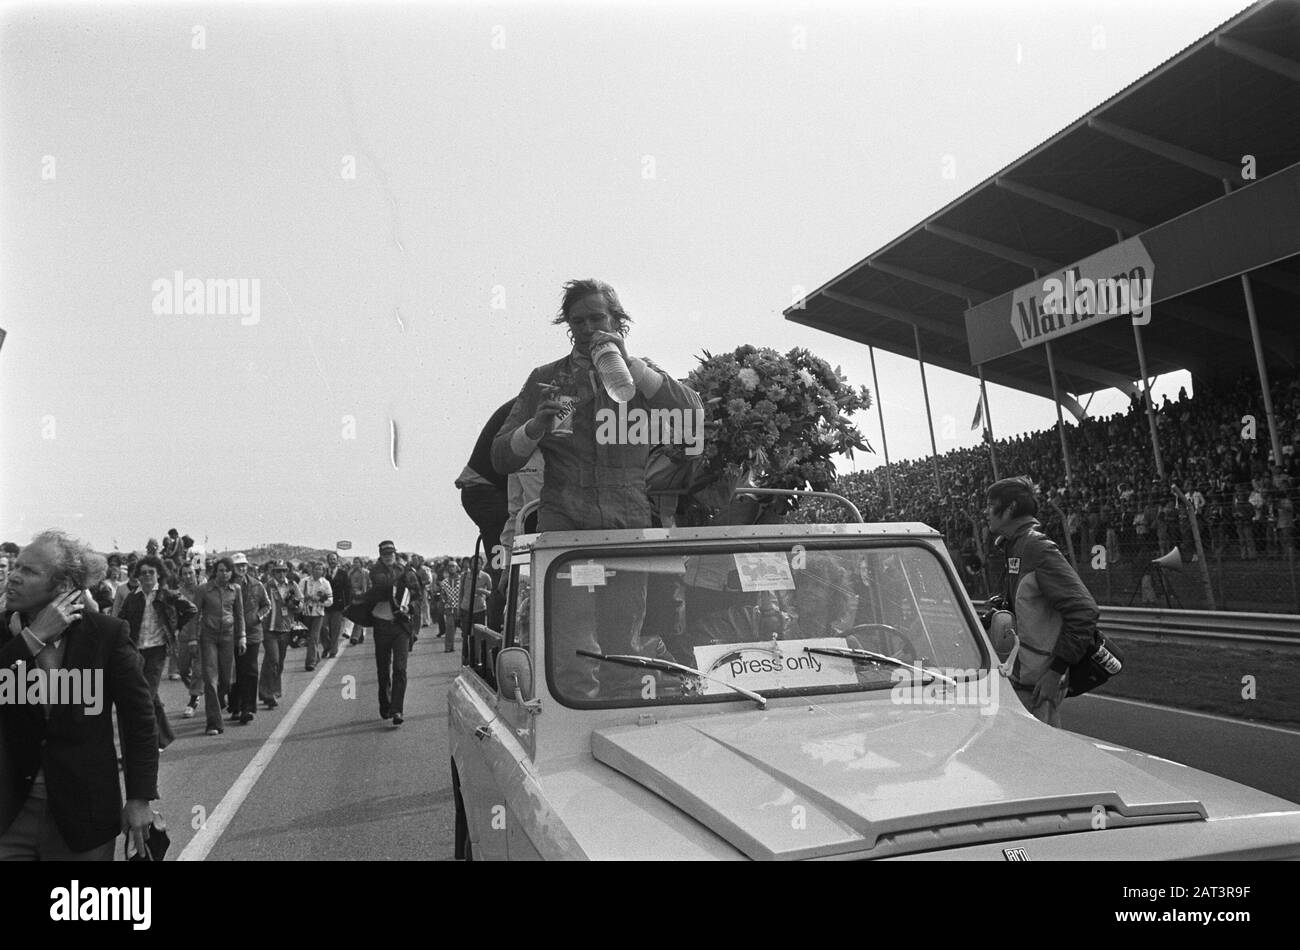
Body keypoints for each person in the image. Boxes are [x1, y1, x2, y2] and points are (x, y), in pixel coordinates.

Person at [490, 279, 701, 698]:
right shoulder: (547, 380)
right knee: (573, 643)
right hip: (567, 530)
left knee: (625, 641)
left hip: (626, 527)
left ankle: (622, 727)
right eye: (578, 321)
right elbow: (500, 458)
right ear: (568, 326)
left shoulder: (640, 376)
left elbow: (692, 419)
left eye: (597, 318)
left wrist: (634, 367)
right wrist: (534, 429)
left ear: (617, 321)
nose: (587, 328)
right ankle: (570, 734)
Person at [0, 530, 158, 859]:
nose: (13, 576)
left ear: (62, 586)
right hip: (10, 814)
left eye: (28, 571)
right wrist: (31, 639)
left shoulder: (105, 635)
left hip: (83, 814)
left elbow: (138, 717)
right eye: (16, 567)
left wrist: (139, 798)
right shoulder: (4, 636)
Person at [985, 476, 1098, 728]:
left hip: (1036, 685)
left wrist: (1055, 672)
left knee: (1038, 761)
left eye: (991, 505)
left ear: (1011, 508)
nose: (986, 512)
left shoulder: (1036, 547)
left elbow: (1084, 610)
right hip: (1019, 678)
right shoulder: (1014, 546)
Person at [116, 555, 196, 750]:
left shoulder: (167, 595)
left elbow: (191, 609)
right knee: (152, 697)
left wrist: (175, 629)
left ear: (158, 574)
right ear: (137, 576)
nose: (147, 576)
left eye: (151, 572)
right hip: (137, 650)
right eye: (142, 573)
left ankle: (147, 742)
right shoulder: (132, 598)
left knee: (145, 696)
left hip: (158, 650)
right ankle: (164, 737)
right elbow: (121, 620)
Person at [192, 557, 245, 736]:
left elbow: (239, 615)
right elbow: (194, 614)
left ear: (232, 572)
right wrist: (193, 638)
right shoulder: (203, 590)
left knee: (227, 680)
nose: (225, 573)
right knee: (210, 679)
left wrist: (242, 636)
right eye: (221, 570)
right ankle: (214, 723)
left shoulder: (235, 589)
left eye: (228, 570)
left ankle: (219, 699)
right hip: (208, 637)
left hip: (228, 637)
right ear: (216, 571)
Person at [368, 541, 413, 725]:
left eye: (391, 553)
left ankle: (397, 710)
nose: (388, 556)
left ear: (395, 553)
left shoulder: (404, 569)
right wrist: (403, 573)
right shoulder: (376, 570)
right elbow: (383, 585)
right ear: (380, 555)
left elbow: (416, 592)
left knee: (400, 669)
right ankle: (385, 705)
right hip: (381, 625)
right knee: (383, 669)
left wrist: (409, 606)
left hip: (400, 626)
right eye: (385, 553)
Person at [230, 553, 270, 724]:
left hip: (253, 634)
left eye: (244, 565)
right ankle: (235, 706)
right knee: (236, 672)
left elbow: (266, 605)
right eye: (238, 565)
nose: (242, 568)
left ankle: (248, 708)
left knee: (251, 670)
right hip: (231, 635)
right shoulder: (227, 585)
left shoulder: (257, 585)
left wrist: (257, 617)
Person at [260, 560, 299, 710]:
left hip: (285, 628)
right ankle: (270, 693)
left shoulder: (292, 585)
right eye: (278, 571)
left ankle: (268, 691)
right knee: (274, 660)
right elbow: (260, 604)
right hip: (269, 629)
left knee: (277, 662)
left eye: (283, 570)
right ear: (273, 572)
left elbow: (300, 605)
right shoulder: (266, 586)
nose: (281, 574)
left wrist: (294, 604)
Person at [175, 562, 204, 718]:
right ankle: (196, 690)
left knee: (199, 670)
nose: (188, 576)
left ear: (196, 574)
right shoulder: (179, 594)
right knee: (183, 669)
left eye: (190, 573)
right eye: (185, 574)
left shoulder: (204, 590)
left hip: (202, 636)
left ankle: (193, 700)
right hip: (185, 636)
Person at [298, 561, 332, 671]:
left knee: (314, 637)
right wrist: (305, 598)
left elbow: (330, 600)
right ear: (312, 570)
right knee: (308, 638)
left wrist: (320, 601)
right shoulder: (304, 581)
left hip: (318, 614)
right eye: (316, 569)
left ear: (323, 571)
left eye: (320, 569)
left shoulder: (325, 583)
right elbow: (298, 596)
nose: (318, 571)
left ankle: (310, 662)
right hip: (306, 613)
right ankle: (316, 657)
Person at [323, 552, 351, 659]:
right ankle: (327, 646)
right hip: (324, 605)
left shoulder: (343, 573)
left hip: (338, 606)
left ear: (337, 560)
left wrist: (347, 605)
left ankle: (333, 650)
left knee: (335, 630)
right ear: (327, 561)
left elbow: (347, 590)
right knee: (323, 628)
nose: (332, 561)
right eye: (330, 559)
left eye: (334, 559)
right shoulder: (324, 573)